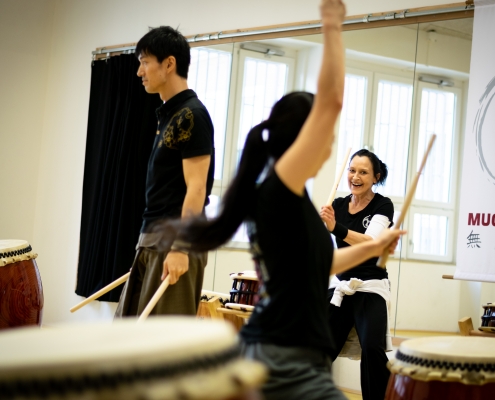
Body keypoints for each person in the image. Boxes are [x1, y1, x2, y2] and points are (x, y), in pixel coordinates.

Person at [151, 1, 404, 399]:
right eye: (325, 135)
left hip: (291, 355)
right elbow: (331, 101)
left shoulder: (293, 199)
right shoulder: (278, 192)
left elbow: (320, 264)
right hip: (282, 354)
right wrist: (333, 25)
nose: (330, 142)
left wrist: (375, 246)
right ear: (302, 137)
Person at [114, 26, 215, 317]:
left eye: (145, 61)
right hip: (152, 240)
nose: (139, 71)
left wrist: (181, 248)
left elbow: (197, 188)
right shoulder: (169, 115)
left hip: (176, 241)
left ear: (169, 64)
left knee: (160, 350)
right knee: (127, 341)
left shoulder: (191, 115)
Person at [320, 149, 394, 400]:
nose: (355, 176)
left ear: (376, 177)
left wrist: (335, 228)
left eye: (363, 172)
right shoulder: (338, 205)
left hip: (370, 285)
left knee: (372, 348)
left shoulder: (383, 205)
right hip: (340, 285)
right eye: (352, 170)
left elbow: (370, 243)